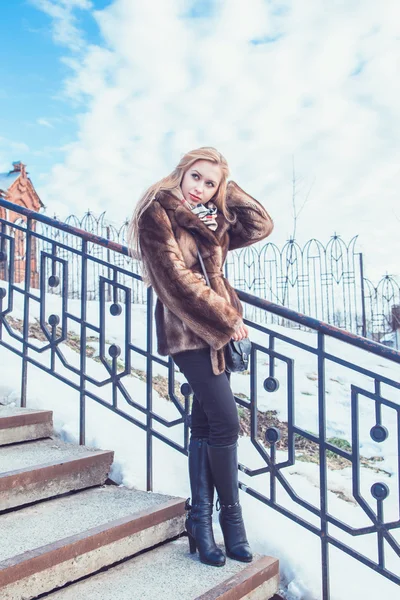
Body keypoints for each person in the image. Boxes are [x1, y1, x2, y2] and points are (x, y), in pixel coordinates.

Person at [128, 147, 273, 567]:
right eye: (196, 177)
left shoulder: (212, 219)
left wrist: (226, 189)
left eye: (211, 184)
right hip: (186, 330)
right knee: (227, 422)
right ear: (180, 173)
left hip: (216, 335)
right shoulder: (157, 214)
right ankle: (231, 521)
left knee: (208, 425)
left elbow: (260, 224)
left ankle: (201, 523)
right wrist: (229, 318)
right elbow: (175, 279)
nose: (201, 189)